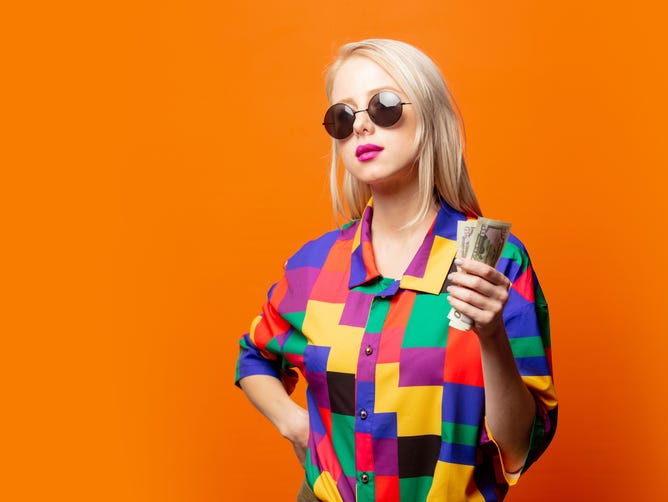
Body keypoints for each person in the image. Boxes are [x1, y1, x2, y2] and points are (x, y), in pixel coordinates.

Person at [235, 39, 557, 502]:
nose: (361, 126)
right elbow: (254, 354)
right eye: (342, 118)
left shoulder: (495, 262)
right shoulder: (314, 265)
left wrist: (490, 334)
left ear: (429, 116)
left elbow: (519, 443)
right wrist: (300, 430)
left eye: (383, 106)